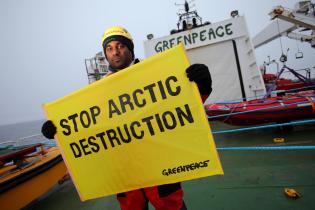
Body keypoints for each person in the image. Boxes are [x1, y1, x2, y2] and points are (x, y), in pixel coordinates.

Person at [42, 26, 212, 210]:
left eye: (120, 46)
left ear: (130, 49)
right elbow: (86, 126)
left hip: (159, 158)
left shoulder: (155, 73)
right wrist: (58, 130)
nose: (115, 52)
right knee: (132, 206)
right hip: (124, 166)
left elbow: (181, 103)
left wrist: (202, 85)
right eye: (109, 48)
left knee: (170, 204)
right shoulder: (99, 90)